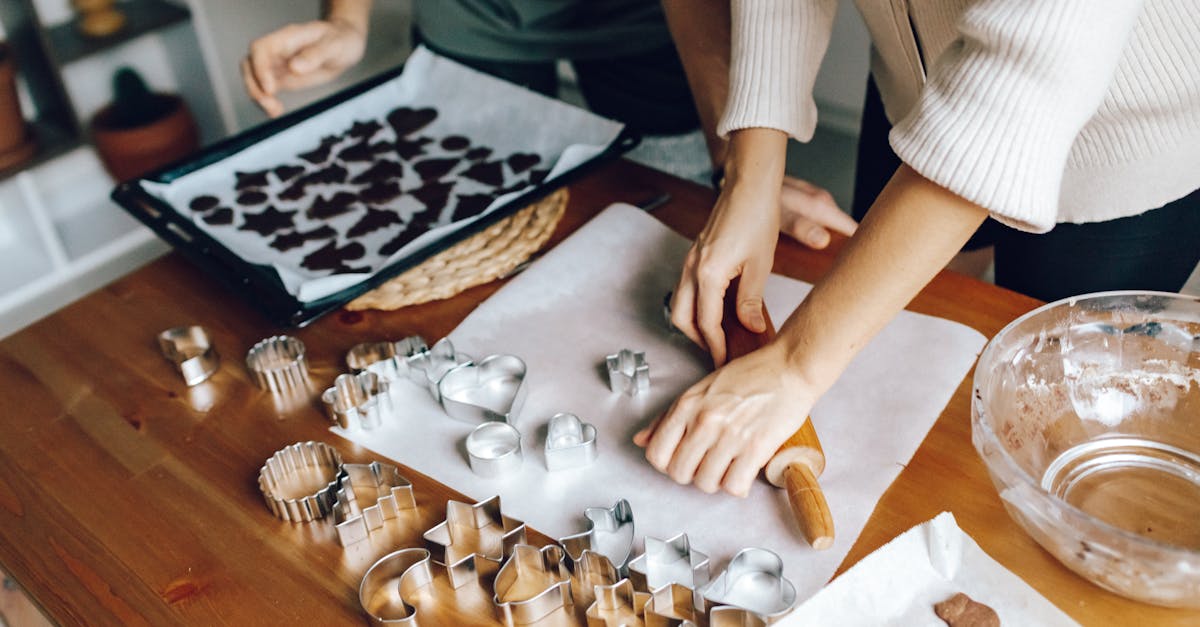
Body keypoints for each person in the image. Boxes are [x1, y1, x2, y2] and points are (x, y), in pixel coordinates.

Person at [638, 0, 1200, 497]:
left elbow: (1017, 85)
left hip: (1122, 144)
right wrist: (750, 172)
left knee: (1051, 422)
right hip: (916, 89)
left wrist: (794, 367)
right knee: (896, 358)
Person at [240, 0, 858, 250]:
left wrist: (737, 169)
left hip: (651, 21)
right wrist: (348, 21)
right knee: (478, 231)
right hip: (472, 18)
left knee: (673, 217)